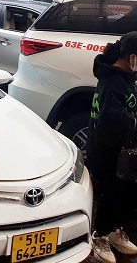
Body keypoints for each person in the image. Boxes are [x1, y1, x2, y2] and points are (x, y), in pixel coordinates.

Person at [87, 32, 137, 263]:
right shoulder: (111, 81)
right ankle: (100, 234)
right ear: (131, 58)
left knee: (126, 195)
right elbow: (110, 122)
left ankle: (115, 231)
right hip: (108, 153)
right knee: (110, 195)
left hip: (126, 154)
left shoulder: (129, 79)